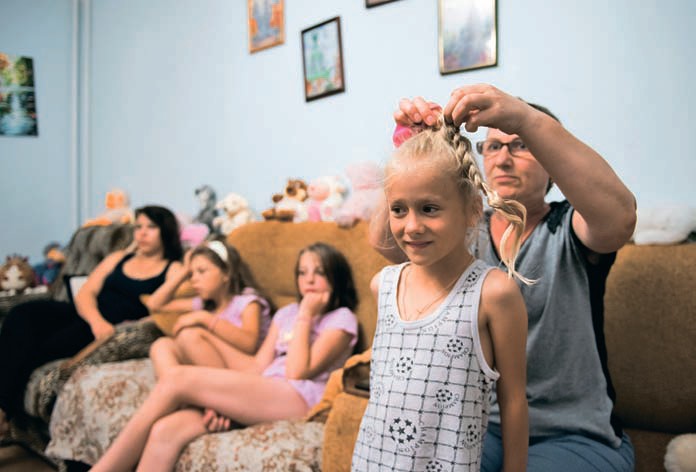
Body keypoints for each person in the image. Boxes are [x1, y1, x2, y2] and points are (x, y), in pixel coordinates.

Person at [370, 84, 637, 471]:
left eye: (520, 145)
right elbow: (386, 242)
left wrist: (525, 119)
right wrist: (411, 148)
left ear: (550, 160)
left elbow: (620, 219)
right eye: (493, 146)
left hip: (574, 433)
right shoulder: (458, 231)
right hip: (478, 425)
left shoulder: (569, 229)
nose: (503, 158)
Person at [352, 115, 529, 471]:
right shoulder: (382, 285)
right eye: (398, 210)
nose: (411, 226)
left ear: (473, 210)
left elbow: (513, 401)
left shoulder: (494, 293)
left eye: (429, 209)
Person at [91, 242, 359, 472]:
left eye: (319, 272)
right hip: (266, 388)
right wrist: (220, 398)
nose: (308, 280)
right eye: (302, 272)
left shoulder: (342, 319)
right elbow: (258, 365)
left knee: (178, 379)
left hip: (300, 398)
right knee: (166, 429)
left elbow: (297, 372)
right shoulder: (286, 313)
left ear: (335, 278)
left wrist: (306, 315)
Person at [0, 205, 185, 439]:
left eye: (151, 227)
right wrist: (96, 320)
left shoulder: (173, 269)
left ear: (165, 232)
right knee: (21, 314)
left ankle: (3, 413)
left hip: (111, 329)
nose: (142, 233)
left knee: (40, 347)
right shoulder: (119, 258)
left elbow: (162, 309)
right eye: (138, 227)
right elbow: (86, 292)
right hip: (86, 315)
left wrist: (106, 327)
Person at [149, 239, 272, 378]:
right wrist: (184, 270)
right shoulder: (205, 303)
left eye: (201, 271)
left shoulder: (248, 302)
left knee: (189, 335)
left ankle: (216, 389)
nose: (193, 279)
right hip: (221, 366)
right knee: (161, 345)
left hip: (249, 366)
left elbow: (249, 345)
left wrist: (205, 318)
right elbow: (155, 304)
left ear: (226, 273)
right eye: (191, 274)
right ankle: (175, 386)